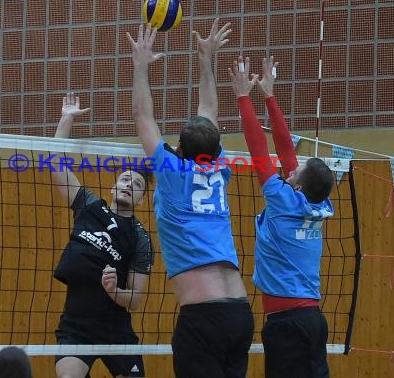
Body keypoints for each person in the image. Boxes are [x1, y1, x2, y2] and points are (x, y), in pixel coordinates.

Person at [127, 19, 254, 378]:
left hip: (204, 318)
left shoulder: (171, 172)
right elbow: (209, 112)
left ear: (179, 149)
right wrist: (206, 59)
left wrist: (140, 66)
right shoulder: (218, 168)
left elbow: (142, 115)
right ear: (214, 150)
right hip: (239, 313)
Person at [228, 55, 335, 378]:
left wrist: (243, 97)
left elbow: (259, 149)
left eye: (294, 173)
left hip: (288, 323)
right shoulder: (318, 205)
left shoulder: (282, 200)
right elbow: (287, 150)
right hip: (311, 320)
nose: (289, 170)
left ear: (298, 186)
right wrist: (270, 96)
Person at [51, 93, 155, 378]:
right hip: (76, 325)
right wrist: (66, 119)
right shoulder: (89, 206)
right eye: (124, 179)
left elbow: (134, 299)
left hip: (115, 328)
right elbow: (56, 163)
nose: (128, 185)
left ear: (142, 200)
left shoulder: (140, 237)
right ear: (113, 187)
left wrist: (115, 291)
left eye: (136, 184)